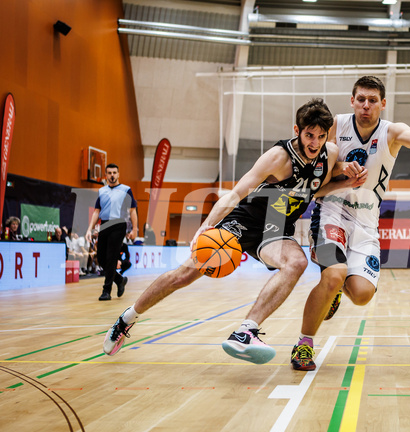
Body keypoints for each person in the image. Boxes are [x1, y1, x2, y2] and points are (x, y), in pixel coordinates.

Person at [102, 99, 367, 364]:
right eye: (309, 135)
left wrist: (344, 183)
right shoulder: (278, 157)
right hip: (245, 220)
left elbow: (313, 190)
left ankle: (245, 331)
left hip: (276, 226)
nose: (314, 143)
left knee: (296, 262)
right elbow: (237, 193)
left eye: (321, 136)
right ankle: (127, 318)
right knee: (183, 276)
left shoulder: (329, 153)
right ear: (296, 130)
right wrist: (206, 226)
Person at [292, 76, 410, 371]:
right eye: (361, 99)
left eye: (372, 100)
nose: (366, 106)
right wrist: (342, 168)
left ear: (383, 103)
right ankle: (303, 346)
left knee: (361, 294)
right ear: (352, 101)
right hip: (331, 211)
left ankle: (335, 293)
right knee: (332, 276)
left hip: (366, 221)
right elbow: (317, 164)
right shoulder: (335, 125)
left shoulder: (392, 131)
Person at [86, 164, 138, 301]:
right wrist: (89, 228)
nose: (112, 175)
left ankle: (106, 290)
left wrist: (135, 229)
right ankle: (119, 279)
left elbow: (133, 210)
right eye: (109, 173)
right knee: (101, 257)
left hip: (119, 224)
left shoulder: (126, 190)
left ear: (118, 174)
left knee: (111, 257)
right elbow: (96, 211)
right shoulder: (102, 191)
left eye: (114, 172)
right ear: (106, 175)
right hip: (104, 225)